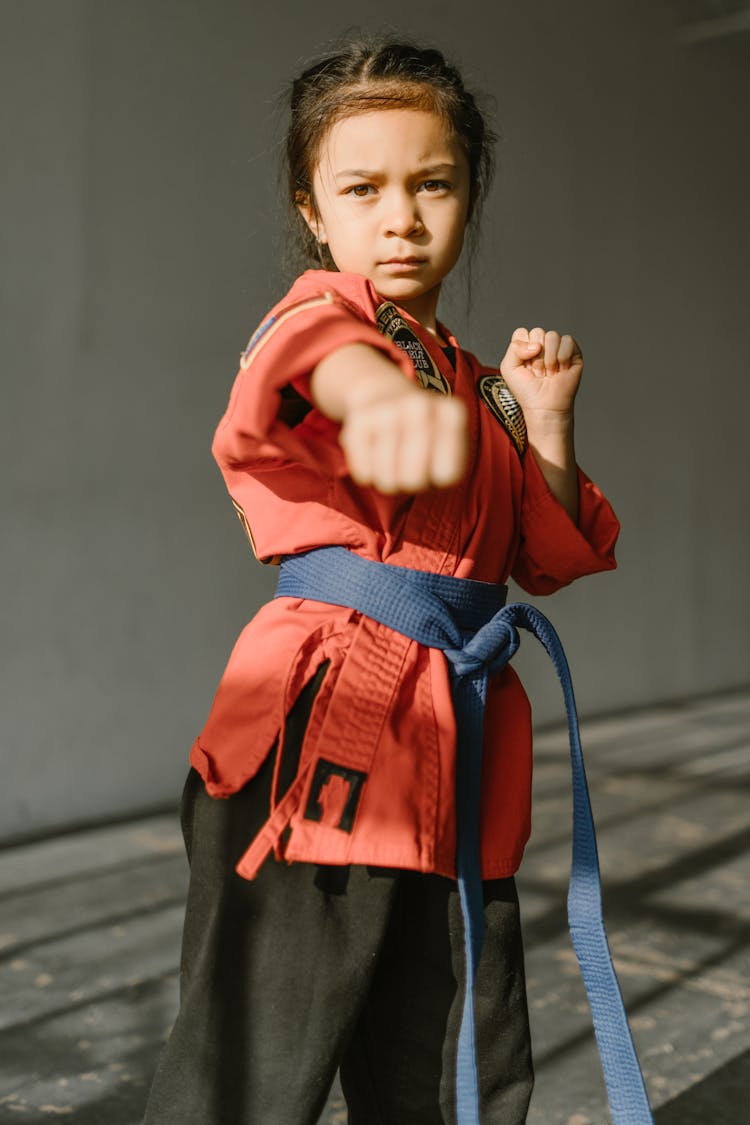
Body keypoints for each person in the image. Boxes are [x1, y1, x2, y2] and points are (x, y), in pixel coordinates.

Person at [143, 33, 620, 1125]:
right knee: (253, 1068)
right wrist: (381, 400)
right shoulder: (320, 326)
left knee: (459, 1063)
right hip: (322, 745)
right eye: (363, 189)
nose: (400, 216)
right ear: (315, 210)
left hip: (461, 754)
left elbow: (547, 557)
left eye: (432, 184)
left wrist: (544, 425)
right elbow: (314, 358)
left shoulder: (484, 392)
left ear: (469, 196)